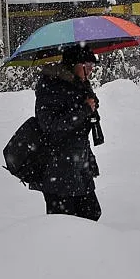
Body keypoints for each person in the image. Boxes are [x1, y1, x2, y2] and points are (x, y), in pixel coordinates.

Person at [34, 44, 102, 221]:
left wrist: (92, 105)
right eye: (86, 65)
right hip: (59, 170)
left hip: (79, 165)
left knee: (91, 214)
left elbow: (82, 122)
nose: (90, 69)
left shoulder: (79, 85)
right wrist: (84, 110)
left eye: (92, 66)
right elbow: (50, 125)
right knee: (64, 224)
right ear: (74, 64)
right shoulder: (52, 86)